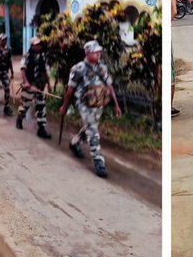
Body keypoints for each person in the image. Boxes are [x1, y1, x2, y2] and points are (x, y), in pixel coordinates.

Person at [58, 40, 122, 180]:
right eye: (95, 51)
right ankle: (98, 161)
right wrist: (64, 106)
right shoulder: (78, 69)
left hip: (99, 103)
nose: (99, 53)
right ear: (87, 53)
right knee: (93, 131)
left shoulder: (102, 67)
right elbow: (70, 90)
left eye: (99, 51)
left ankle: (75, 142)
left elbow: (110, 86)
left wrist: (116, 105)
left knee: (90, 127)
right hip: (84, 104)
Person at [16, 37, 52, 138]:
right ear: (32, 46)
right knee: (25, 106)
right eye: (36, 44)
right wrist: (26, 82)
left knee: (41, 106)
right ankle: (19, 119)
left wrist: (48, 84)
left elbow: (44, 71)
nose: (38, 46)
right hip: (30, 85)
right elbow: (23, 69)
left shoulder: (43, 56)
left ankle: (41, 128)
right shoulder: (27, 56)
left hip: (40, 86)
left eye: (39, 44)